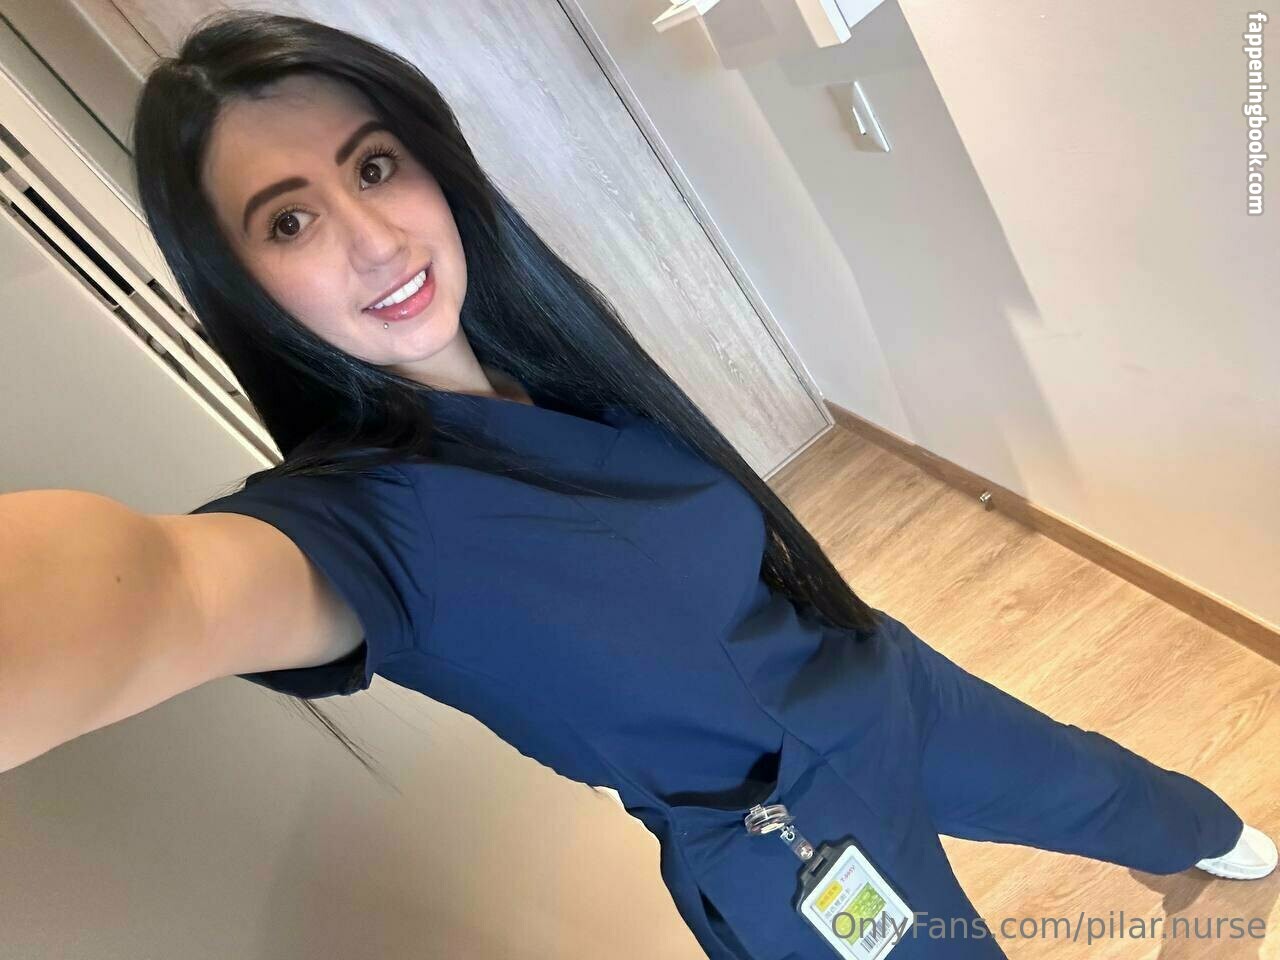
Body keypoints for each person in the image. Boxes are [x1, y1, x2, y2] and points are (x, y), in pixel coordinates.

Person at [2, 11, 1273, 959]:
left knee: (1108, 790)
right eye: (288, 220)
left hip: (877, 684)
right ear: (240, 284)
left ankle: (1206, 864)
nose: (374, 238)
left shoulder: (562, 366)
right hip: (787, 855)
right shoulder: (353, 530)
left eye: (374, 166)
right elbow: (152, 588)